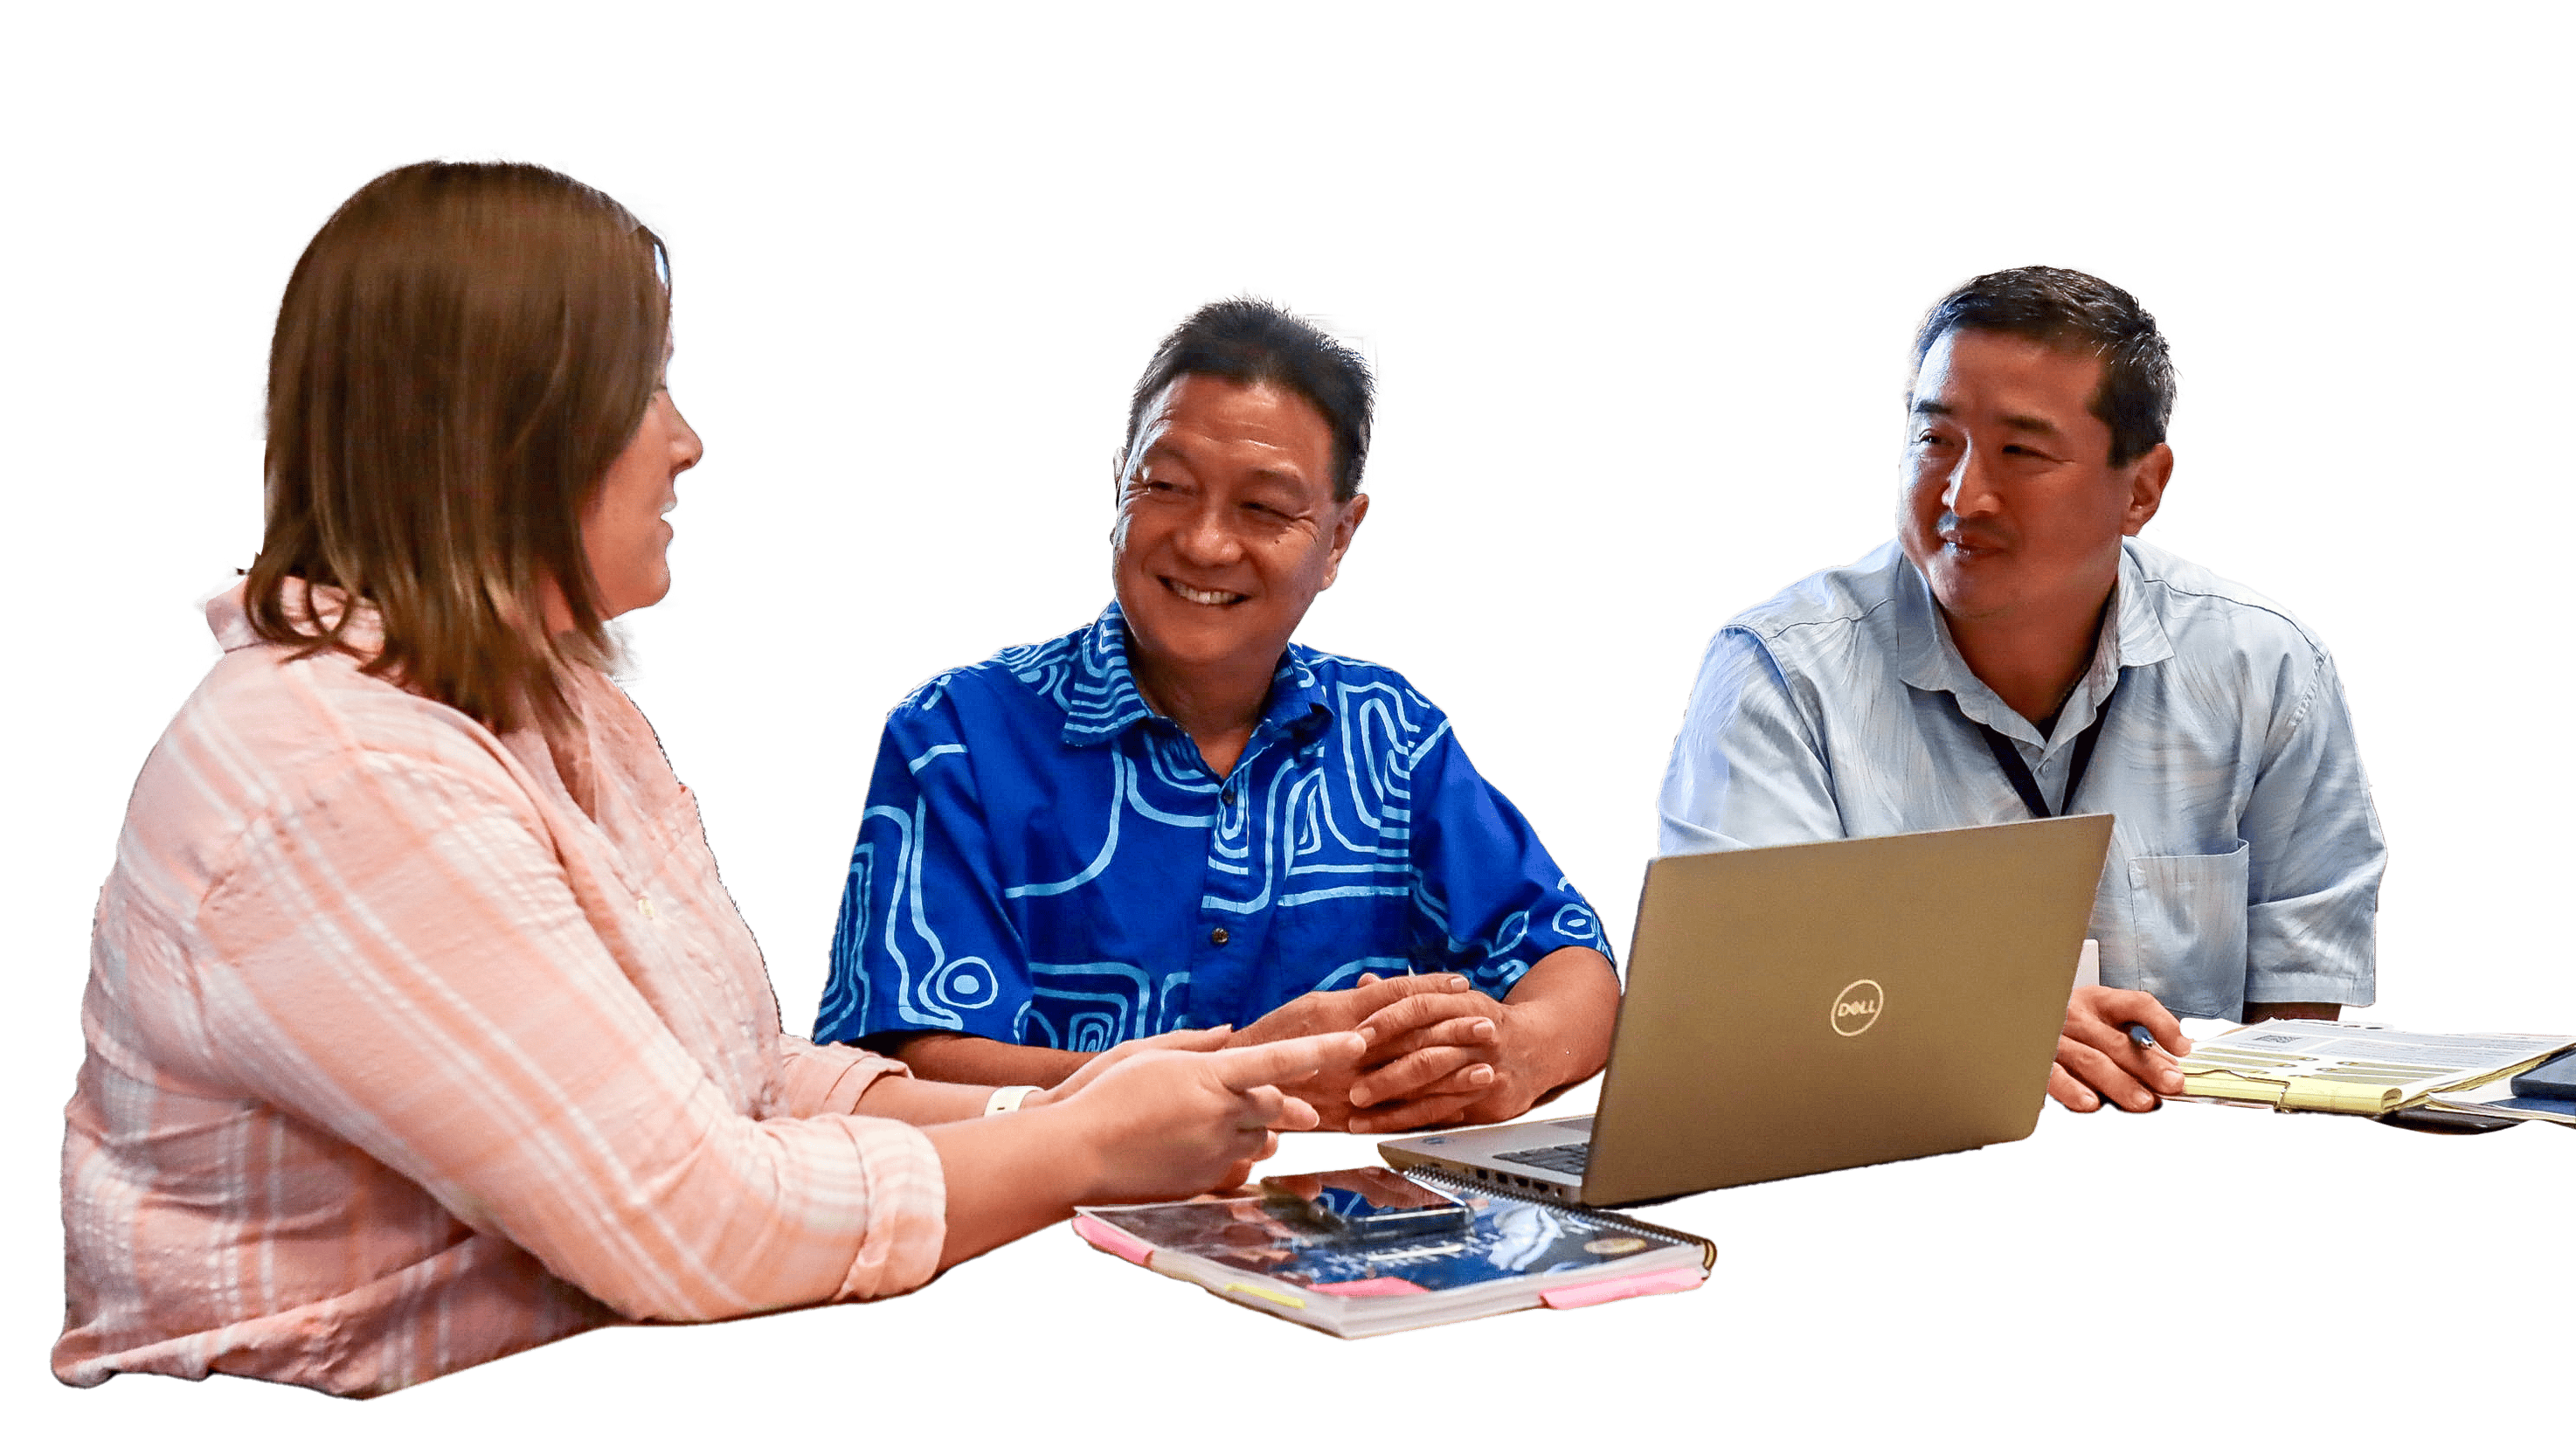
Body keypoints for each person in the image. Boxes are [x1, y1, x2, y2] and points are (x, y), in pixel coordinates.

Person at [54, 154, 1351, 1400]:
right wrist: (1085, 1144)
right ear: (506, 430)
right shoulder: (339, 779)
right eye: (647, 388)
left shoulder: (535, 699)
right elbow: (697, 1223)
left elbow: (729, 1083)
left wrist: (1096, 1091)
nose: (687, 442)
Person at [814, 288, 1622, 1135]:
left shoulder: (1391, 737)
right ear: (1118, 479)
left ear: (1339, 539)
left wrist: (1512, 1051)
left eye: (1263, 508)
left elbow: (1574, 965)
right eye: (1165, 485)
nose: (1202, 542)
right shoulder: (959, 736)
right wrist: (1242, 1077)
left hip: (1346, 1242)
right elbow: (901, 1066)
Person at [1655, 264, 2385, 1116]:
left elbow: (2296, 1026)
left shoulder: (2265, 667)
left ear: (2141, 488)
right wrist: (1977, 1024)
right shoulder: (1780, 673)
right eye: (1933, 441)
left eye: (2020, 451)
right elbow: (1735, 992)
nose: (1962, 496)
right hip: (1888, 1165)